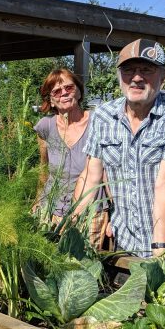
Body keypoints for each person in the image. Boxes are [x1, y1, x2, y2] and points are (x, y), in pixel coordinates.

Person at [73, 39, 165, 257]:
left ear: (163, 76)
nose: (136, 77)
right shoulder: (104, 116)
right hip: (127, 239)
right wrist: (73, 228)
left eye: (146, 70)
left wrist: (161, 249)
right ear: (119, 76)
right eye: (128, 70)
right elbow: (91, 177)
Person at [33, 69, 107, 247]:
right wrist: (37, 203)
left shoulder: (99, 122)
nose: (64, 93)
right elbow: (43, 169)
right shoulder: (45, 126)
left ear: (79, 91)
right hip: (51, 210)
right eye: (56, 91)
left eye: (69, 87)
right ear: (50, 99)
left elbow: (109, 172)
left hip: (90, 213)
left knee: (85, 268)